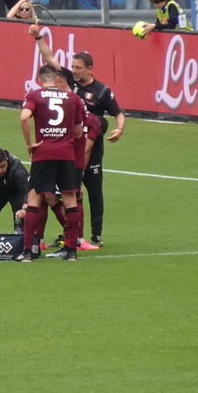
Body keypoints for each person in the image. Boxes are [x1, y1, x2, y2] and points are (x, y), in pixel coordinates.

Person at [18, 64, 83, 262]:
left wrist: (30, 143)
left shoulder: (35, 96)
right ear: (57, 80)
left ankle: (28, 251)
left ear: (40, 80)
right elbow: (79, 132)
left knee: (34, 199)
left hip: (43, 154)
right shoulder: (74, 99)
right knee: (70, 200)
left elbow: (24, 117)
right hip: (66, 154)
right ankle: (72, 250)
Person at [71, 51, 125, 248]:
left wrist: (119, 129)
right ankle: (70, 234)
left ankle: (96, 235)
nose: (74, 71)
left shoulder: (102, 91)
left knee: (93, 190)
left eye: (78, 67)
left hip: (93, 147)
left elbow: (118, 114)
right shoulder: (70, 82)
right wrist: (39, 37)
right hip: (72, 145)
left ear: (89, 68)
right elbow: (49, 59)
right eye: (73, 67)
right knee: (69, 191)